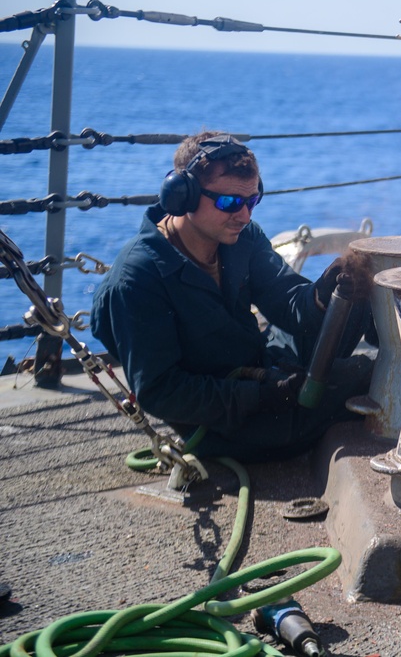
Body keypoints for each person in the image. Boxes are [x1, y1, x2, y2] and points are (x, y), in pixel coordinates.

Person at [92, 132, 374, 463]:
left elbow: (286, 300)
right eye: (230, 203)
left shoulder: (241, 237)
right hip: (227, 425)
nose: (244, 216)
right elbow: (161, 392)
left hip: (261, 373)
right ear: (183, 197)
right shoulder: (138, 279)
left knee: (359, 298)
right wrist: (259, 397)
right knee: (363, 377)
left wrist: (322, 294)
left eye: (252, 201)